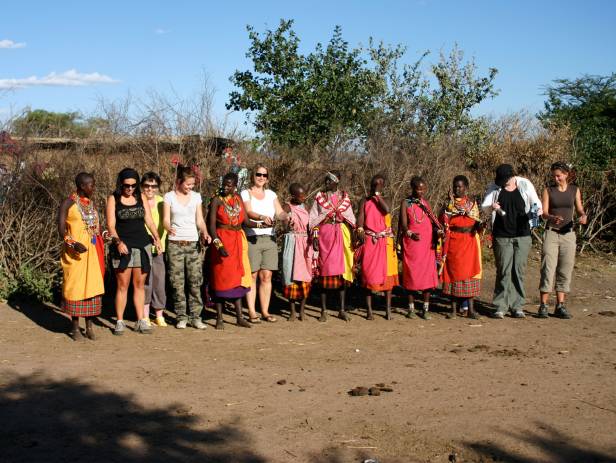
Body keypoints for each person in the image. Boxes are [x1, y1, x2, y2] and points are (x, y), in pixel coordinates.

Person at [482, 164, 542, 319]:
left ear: (511, 176)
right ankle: (500, 306)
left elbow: (537, 205)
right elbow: (485, 207)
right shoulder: (494, 187)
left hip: (522, 234)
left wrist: (533, 216)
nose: (501, 182)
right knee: (503, 270)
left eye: (504, 179)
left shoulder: (525, 184)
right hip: (502, 235)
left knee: (518, 270)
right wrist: (492, 207)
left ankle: (517, 305)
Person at [106, 168, 162, 335]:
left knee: (139, 285)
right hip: (123, 247)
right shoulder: (113, 198)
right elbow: (110, 225)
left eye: (133, 185)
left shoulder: (141, 197)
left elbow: (149, 221)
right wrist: (118, 242)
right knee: (122, 285)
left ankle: (140, 321)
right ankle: (120, 321)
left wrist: (157, 237)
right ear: (120, 184)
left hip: (142, 245)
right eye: (126, 185)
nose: (130, 189)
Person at [58, 172, 105, 341]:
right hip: (76, 255)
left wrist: (105, 236)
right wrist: (72, 244)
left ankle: (90, 327)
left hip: (92, 252)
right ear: (81, 186)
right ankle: (75, 327)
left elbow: (95, 228)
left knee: (92, 289)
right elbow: (61, 229)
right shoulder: (68, 203)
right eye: (91, 185)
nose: (93, 188)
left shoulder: (90, 204)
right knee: (76, 289)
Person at [163, 166, 211, 329]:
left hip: (193, 243)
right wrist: (168, 227)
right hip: (175, 244)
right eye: (187, 184)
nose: (190, 187)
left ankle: (196, 316)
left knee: (195, 281)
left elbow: (199, 219)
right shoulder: (169, 197)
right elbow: (165, 219)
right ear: (179, 182)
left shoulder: (196, 197)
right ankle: (181, 316)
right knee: (177, 282)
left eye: (192, 184)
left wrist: (204, 232)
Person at [538, 162, 587, 319]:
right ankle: (543, 305)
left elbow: (579, 208)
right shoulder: (548, 190)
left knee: (565, 270)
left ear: (566, 174)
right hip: (551, 233)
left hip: (569, 234)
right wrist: (552, 217)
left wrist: (582, 215)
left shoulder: (574, 190)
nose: (556, 178)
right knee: (548, 269)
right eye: (554, 175)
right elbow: (543, 213)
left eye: (558, 175)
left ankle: (560, 305)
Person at [208, 172, 257, 329]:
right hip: (222, 241)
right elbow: (211, 226)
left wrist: (262, 224)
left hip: (237, 241)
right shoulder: (216, 200)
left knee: (237, 280)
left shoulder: (238, 199)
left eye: (229, 185)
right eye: (224, 184)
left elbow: (246, 222)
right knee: (221, 279)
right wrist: (218, 245)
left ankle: (239, 317)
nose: (225, 187)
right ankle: (220, 318)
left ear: (235, 186)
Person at [241, 164, 288, 323]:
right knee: (252, 275)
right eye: (258, 174)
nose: (261, 177)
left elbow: (280, 212)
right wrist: (262, 217)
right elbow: (248, 212)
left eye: (264, 175)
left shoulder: (271, 194)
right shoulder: (245, 193)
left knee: (266, 276)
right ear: (252, 175)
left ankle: (265, 311)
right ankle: (252, 312)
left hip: (270, 238)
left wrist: (287, 216)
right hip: (252, 238)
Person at [308, 170, 356, 322]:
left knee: (342, 274)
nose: (327, 183)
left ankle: (341, 309)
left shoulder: (344, 198)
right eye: (326, 180)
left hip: (341, 237)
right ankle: (323, 311)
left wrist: (346, 223)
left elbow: (350, 218)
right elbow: (313, 218)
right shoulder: (320, 197)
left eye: (330, 180)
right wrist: (315, 235)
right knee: (324, 273)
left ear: (337, 181)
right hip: (325, 237)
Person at [356, 174, 399, 320]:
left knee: (387, 278)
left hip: (385, 241)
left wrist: (378, 196)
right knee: (368, 275)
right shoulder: (365, 200)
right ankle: (369, 311)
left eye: (379, 184)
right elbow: (360, 218)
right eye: (374, 184)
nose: (376, 186)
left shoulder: (387, 199)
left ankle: (388, 311)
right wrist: (360, 229)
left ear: (383, 186)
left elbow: (386, 210)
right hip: (370, 240)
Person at [399, 176, 442, 320]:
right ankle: (411, 309)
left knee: (427, 277)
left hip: (427, 245)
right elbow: (403, 225)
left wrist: (438, 232)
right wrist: (410, 234)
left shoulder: (426, 204)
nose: (421, 192)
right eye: (418, 189)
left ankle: (425, 308)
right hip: (412, 245)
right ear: (412, 188)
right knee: (412, 275)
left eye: (423, 189)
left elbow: (433, 222)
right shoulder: (406, 203)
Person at [440, 175, 482, 319]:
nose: (458, 189)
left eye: (460, 186)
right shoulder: (449, 205)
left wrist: (482, 225)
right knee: (453, 274)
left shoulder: (472, 204)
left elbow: (476, 222)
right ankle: (452, 310)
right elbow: (443, 221)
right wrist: (449, 205)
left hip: (469, 241)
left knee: (470, 275)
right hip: (454, 242)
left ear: (466, 188)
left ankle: (470, 309)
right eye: (455, 186)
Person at [281, 183, 313, 321]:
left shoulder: (306, 207)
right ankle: (292, 311)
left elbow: (312, 224)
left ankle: (302, 311)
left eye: (304, 195)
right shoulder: (287, 207)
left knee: (305, 277)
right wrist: (287, 224)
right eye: (301, 196)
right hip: (292, 244)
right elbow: (284, 224)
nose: (304, 198)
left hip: (305, 243)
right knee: (290, 276)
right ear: (293, 196)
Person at [141, 172, 168, 327]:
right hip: (142, 247)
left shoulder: (161, 202)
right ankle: (144, 315)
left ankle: (159, 314)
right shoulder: (138, 202)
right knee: (145, 282)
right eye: (146, 186)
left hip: (159, 248)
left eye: (153, 186)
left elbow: (166, 222)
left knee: (159, 281)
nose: (150, 189)